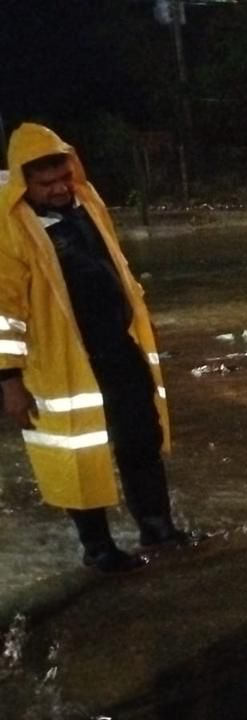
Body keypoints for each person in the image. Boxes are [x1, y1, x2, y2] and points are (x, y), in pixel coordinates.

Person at [0, 123, 186, 573]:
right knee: (78, 454)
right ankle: (99, 549)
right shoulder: (10, 230)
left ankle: (158, 527)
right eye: (46, 184)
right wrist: (9, 380)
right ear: (26, 184)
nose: (60, 188)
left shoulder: (88, 203)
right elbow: (4, 310)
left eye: (63, 176)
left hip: (117, 349)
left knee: (141, 437)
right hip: (61, 362)